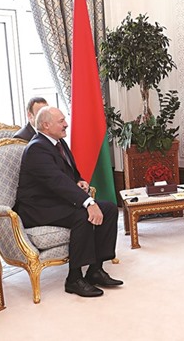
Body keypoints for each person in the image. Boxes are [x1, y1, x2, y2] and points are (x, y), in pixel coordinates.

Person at [14, 106, 122, 297]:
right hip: (38, 208)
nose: (66, 124)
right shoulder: (37, 148)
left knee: (110, 209)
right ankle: (74, 278)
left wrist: (79, 181)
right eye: (61, 121)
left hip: (57, 201)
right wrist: (89, 202)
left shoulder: (58, 142)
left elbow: (69, 173)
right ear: (46, 125)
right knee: (83, 215)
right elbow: (57, 181)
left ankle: (95, 269)